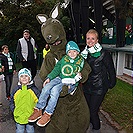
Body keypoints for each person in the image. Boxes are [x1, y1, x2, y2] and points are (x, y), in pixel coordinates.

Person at [28, 41, 85, 127]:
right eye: (69, 52)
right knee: (47, 87)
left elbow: (79, 76)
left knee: (54, 90)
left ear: (77, 51)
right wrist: (49, 78)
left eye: (74, 51)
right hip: (60, 78)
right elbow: (57, 69)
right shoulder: (64, 59)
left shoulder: (80, 61)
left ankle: (48, 113)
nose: (72, 53)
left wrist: (73, 85)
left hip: (69, 81)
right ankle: (38, 109)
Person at [81, 29, 116, 133]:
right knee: (88, 110)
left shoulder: (103, 54)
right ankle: (92, 125)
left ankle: (96, 130)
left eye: (93, 38)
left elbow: (111, 69)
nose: (90, 41)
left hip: (99, 87)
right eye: (88, 38)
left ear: (97, 40)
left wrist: (111, 83)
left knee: (93, 111)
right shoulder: (84, 53)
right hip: (87, 86)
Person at [9, 68, 40, 133]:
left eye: (26, 76)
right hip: (19, 115)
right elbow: (12, 101)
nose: (24, 78)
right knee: (20, 130)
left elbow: (39, 102)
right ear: (19, 78)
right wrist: (14, 109)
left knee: (30, 130)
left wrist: (36, 112)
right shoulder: (16, 90)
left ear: (30, 78)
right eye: (22, 76)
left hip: (30, 116)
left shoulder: (34, 90)